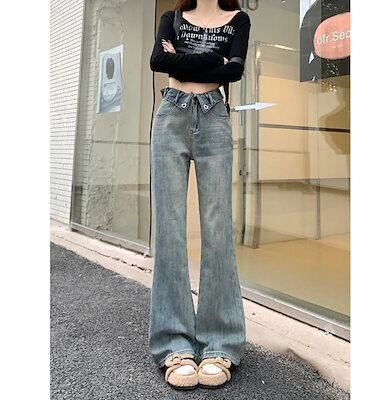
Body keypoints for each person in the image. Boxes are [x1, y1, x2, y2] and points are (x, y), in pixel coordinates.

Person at [148, 0, 251, 390]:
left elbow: (235, 71)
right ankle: (173, 343)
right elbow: (158, 62)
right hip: (171, 115)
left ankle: (220, 342)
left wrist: (182, 61)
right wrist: (213, 61)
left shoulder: (238, 20)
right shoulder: (171, 18)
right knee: (170, 230)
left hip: (213, 116)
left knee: (218, 229)